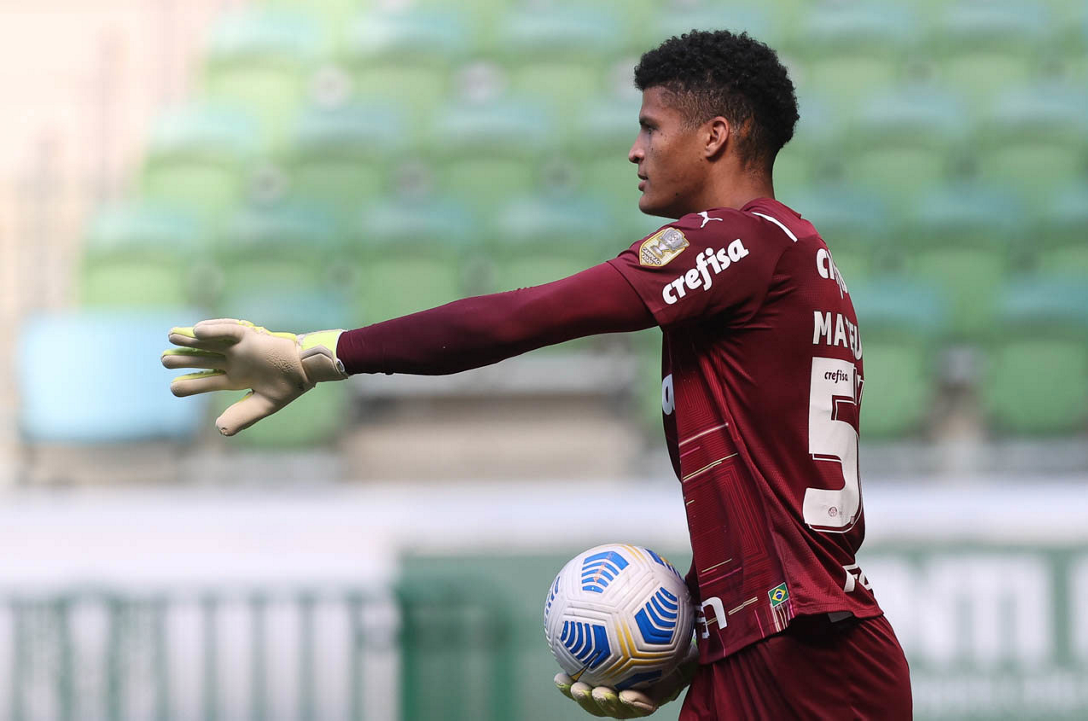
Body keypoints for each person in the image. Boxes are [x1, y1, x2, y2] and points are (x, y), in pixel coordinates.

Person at [162, 30, 912, 721]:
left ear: (715, 136)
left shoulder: (739, 243)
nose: (635, 150)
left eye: (652, 128)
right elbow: (769, 493)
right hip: (772, 641)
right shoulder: (790, 255)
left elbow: (519, 318)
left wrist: (319, 353)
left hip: (811, 659)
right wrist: (689, 635)